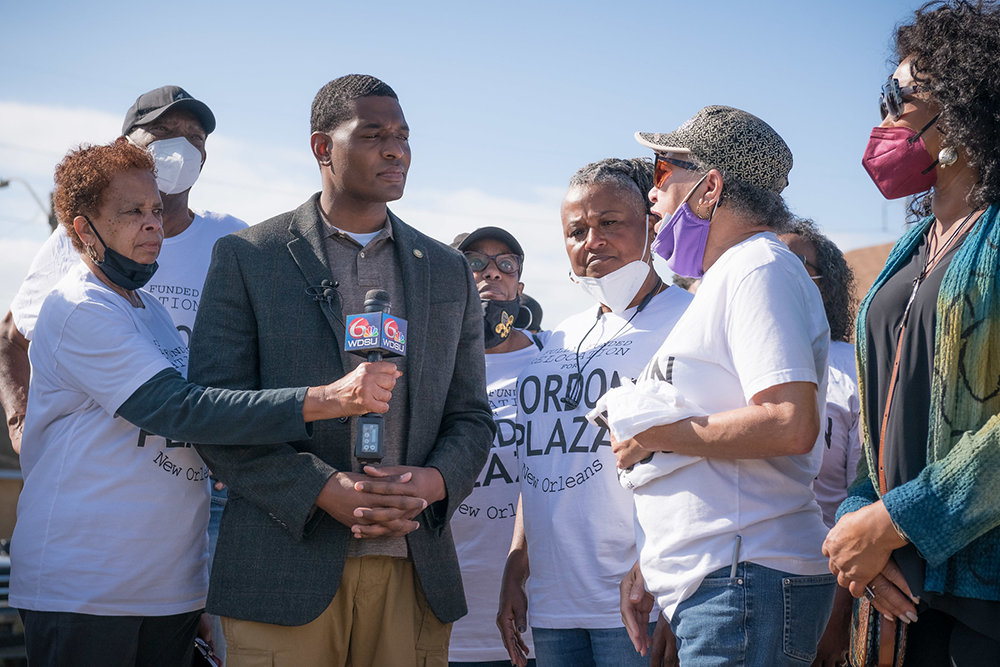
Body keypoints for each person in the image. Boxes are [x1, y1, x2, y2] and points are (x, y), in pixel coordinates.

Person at [10, 138, 405, 667]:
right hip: (88, 588)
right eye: (132, 212)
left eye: (155, 209)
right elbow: (181, 410)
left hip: (167, 588)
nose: (153, 224)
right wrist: (330, 399)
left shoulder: (146, 308)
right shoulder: (80, 306)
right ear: (83, 229)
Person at [186, 74, 495, 667]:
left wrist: (431, 485)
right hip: (283, 569)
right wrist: (321, 489)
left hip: (413, 569)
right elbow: (213, 414)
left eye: (403, 136)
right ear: (322, 147)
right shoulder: (250, 256)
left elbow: (472, 416)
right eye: (374, 134)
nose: (396, 150)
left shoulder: (448, 271)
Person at [0, 84, 246, 661]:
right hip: (93, 535)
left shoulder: (230, 244)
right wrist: (24, 425)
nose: (182, 150)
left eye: (196, 139)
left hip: (198, 497)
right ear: (128, 146)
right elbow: (16, 336)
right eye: (164, 137)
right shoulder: (79, 260)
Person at [613, 106, 835, 667]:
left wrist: (657, 433)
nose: (652, 198)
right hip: (724, 582)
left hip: (746, 583)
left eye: (662, 173)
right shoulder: (726, 279)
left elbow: (790, 422)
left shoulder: (758, 268)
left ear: (709, 188)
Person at [824, 2, 1000, 663]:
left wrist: (898, 519)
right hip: (898, 590)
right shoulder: (911, 248)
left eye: (902, 95)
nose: (885, 114)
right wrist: (857, 518)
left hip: (982, 602)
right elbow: (884, 414)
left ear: (963, 106)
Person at [497, 158, 692, 667]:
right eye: (576, 230)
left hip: (639, 600)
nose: (592, 241)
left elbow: (709, 462)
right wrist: (517, 563)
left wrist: (676, 590)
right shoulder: (557, 336)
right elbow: (541, 461)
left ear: (650, 226)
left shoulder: (689, 320)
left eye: (610, 223)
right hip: (553, 603)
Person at [448, 226, 538, 667]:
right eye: (475, 263)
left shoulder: (550, 362)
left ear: (520, 288)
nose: (492, 273)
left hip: (535, 613)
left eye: (506, 265)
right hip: (450, 609)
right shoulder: (426, 367)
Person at [779, 219, 862, 667]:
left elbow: (862, 498)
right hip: (742, 588)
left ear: (824, 287)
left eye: (795, 264)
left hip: (822, 584)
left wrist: (839, 614)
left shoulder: (853, 367)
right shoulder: (737, 365)